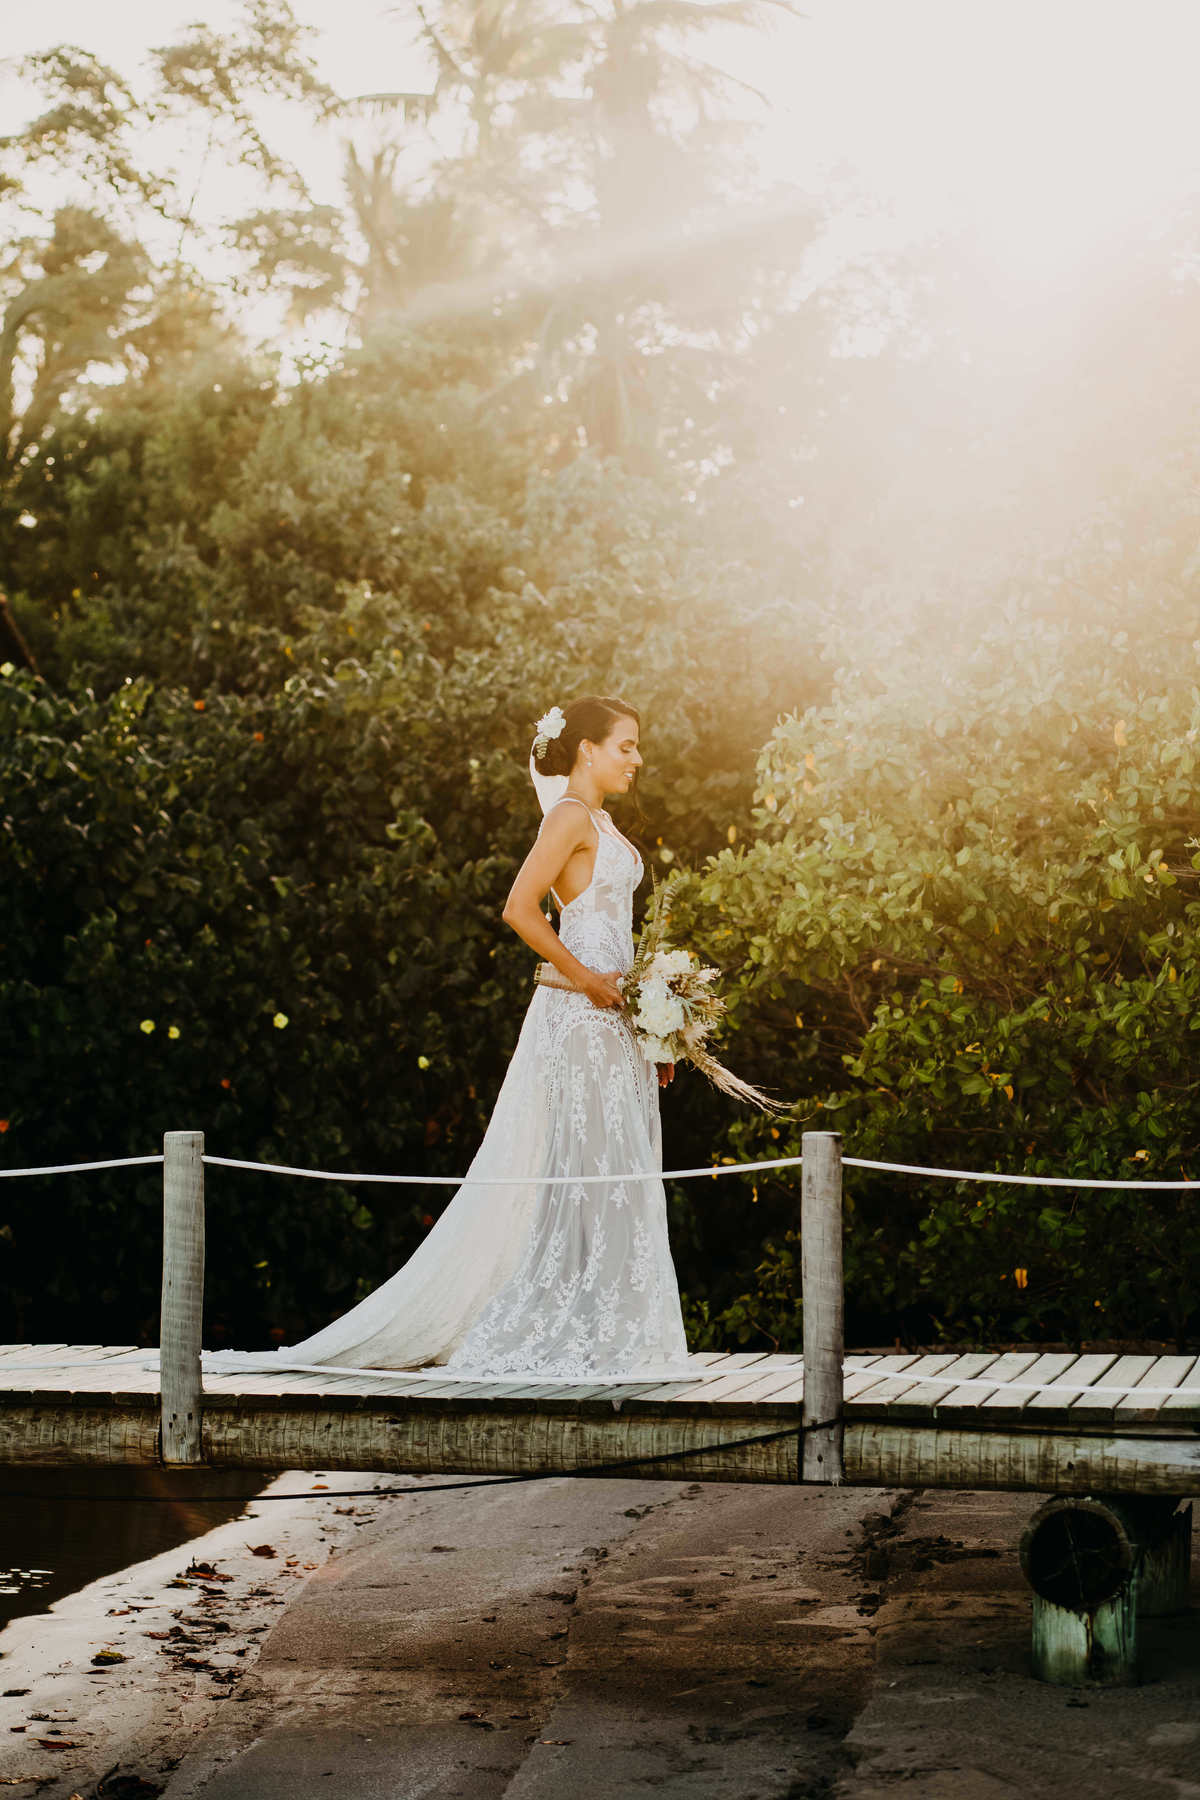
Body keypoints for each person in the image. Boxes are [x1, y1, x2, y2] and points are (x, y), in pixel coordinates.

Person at [198, 694, 700, 1384]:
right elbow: (519, 908)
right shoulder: (568, 817)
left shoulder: (602, 823)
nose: (637, 759)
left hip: (615, 1024)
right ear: (586, 748)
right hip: (581, 1017)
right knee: (588, 1178)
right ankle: (582, 1331)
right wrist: (585, 979)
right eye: (626, 746)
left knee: (615, 1172)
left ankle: (611, 1328)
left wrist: (655, 1030)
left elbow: (617, 927)